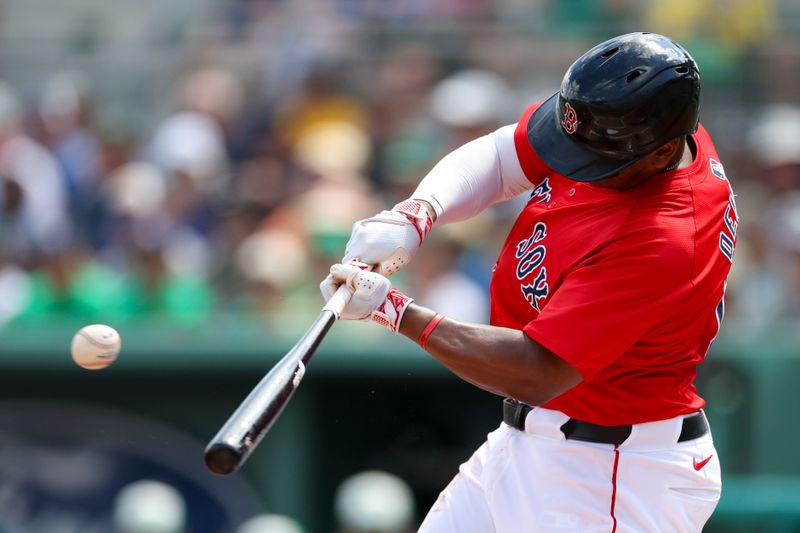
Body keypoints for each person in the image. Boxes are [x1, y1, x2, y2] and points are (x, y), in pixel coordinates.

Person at [321, 32, 735, 532]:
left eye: (596, 160)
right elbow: (503, 156)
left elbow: (538, 370)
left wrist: (394, 311)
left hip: (613, 477)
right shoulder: (638, 128)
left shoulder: (666, 237)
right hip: (532, 443)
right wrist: (415, 214)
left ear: (662, 150)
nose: (574, 166)